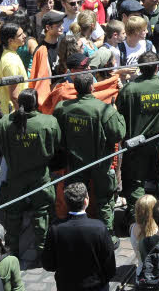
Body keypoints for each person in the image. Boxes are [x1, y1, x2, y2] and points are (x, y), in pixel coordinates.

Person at [0, 88, 60, 265]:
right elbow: (57, 144)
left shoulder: (5, 123)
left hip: (15, 176)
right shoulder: (48, 122)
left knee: (13, 214)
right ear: (36, 104)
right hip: (40, 175)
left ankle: (12, 252)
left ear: (18, 103)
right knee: (41, 212)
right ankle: (43, 252)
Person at [52, 71, 126, 233]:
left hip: (74, 163)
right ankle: (108, 235)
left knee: (76, 199)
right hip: (101, 164)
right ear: (92, 87)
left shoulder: (62, 108)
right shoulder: (105, 110)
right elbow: (118, 134)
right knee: (104, 200)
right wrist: (117, 112)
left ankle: (75, 231)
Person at [115, 51, 159, 218]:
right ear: (157, 67)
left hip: (136, 146)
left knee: (135, 182)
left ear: (139, 68)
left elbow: (120, 116)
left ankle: (138, 217)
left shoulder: (129, 90)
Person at [42, 182, 118, 291]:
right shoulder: (99, 228)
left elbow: (48, 264)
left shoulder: (55, 229)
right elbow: (110, 267)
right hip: (96, 286)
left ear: (66, 203)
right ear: (86, 200)